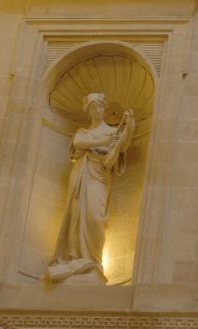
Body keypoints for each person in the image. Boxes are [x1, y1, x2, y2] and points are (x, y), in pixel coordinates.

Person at [47, 92, 134, 283]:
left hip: (100, 177)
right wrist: (102, 142)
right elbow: (78, 143)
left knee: (96, 216)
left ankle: (94, 261)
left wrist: (130, 125)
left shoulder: (113, 132)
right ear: (88, 111)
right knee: (78, 214)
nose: (98, 110)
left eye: (101, 107)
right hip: (82, 174)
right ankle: (75, 257)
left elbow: (123, 144)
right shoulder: (84, 132)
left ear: (105, 108)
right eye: (94, 108)